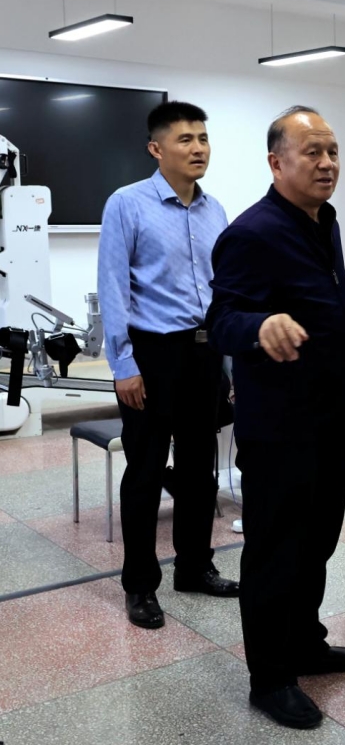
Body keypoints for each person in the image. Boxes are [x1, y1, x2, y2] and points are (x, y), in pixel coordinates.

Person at [207, 106, 345, 729]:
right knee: (276, 549)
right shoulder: (252, 233)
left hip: (329, 415)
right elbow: (221, 321)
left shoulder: (324, 219)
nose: (328, 164)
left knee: (318, 538)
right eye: (313, 152)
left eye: (333, 151)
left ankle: (305, 642)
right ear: (277, 163)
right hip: (278, 426)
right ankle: (270, 677)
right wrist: (261, 324)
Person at [97, 100, 239, 631]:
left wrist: (228, 364)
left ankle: (195, 567)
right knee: (146, 471)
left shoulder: (215, 210)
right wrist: (123, 363)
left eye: (203, 138)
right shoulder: (127, 204)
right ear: (156, 149)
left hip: (204, 353)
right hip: (152, 355)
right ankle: (139, 585)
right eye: (185, 139)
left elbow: (223, 288)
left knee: (200, 468)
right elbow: (113, 286)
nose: (198, 148)